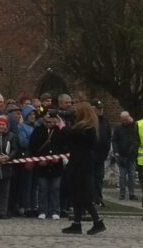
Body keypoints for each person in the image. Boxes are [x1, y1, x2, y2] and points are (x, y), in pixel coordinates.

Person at [61, 101, 106, 235]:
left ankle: (98, 222)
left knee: (84, 195)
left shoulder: (88, 128)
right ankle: (76, 223)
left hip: (83, 164)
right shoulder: (81, 126)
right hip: (76, 162)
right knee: (75, 194)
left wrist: (63, 127)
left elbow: (73, 137)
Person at [30, 109, 65, 220]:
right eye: (47, 121)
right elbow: (32, 147)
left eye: (51, 122)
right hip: (42, 166)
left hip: (56, 165)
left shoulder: (59, 131)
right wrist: (39, 160)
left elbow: (64, 146)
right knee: (43, 189)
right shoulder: (37, 131)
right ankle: (42, 210)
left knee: (55, 188)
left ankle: (55, 210)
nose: (49, 124)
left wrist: (58, 157)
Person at [111, 111, 138, 201]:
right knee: (122, 176)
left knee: (132, 175)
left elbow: (138, 132)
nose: (125, 122)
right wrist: (116, 151)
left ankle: (132, 193)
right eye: (123, 120)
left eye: (126, 120)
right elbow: (114, 140)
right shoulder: (118, 129)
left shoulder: (133, 127)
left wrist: (133, 122)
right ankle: (122, 193)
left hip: (131, 156)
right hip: (121, 156)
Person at [92, 100, 112, 206]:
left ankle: (98, 199)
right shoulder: (90, 120)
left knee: (99, 178)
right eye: (98, 109)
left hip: (101, 155)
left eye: (101, 109)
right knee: (91, 178)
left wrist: (105, 153)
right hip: (91, 155)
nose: (100, 111)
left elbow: (108, 138)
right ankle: (91, 199)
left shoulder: (105, 121)